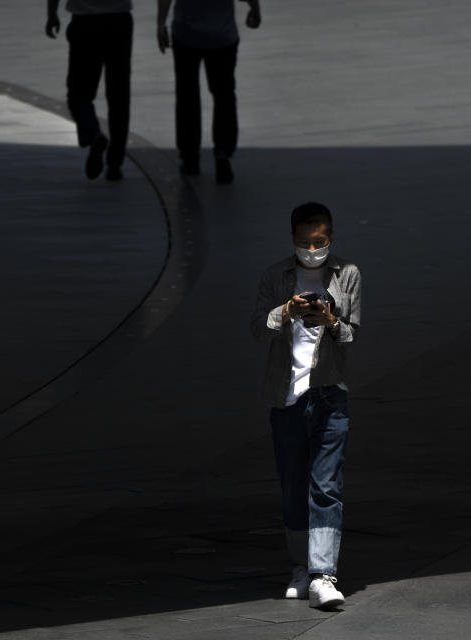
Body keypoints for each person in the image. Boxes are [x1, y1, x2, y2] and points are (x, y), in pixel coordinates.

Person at [250, 202, 361, 609]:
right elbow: (256, 330)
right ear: (293, 239)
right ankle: (301, 567)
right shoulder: (276, 275)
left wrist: (331, 321)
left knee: (326, 485)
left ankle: (323, 574)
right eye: (305, 242)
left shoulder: (346, 273)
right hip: (286, 395)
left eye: (321, 240)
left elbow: (352, 335)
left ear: (331, 235)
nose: (313, 249)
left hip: (330, 391)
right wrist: (285, 312)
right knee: (294, 485)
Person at [156, 0, 261, 184]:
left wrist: (160, 23)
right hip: (222, 36)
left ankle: (190, 156)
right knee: (224, 94)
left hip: (186, 34)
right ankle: (222, 152)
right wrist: (255, 8)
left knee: (187, 95)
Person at [46, 0, 133, 181]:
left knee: (78, 95)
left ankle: (93, 133)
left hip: (85, 22)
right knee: (119, 96)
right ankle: (115, 163)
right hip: (119, 20)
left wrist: (52, 14)